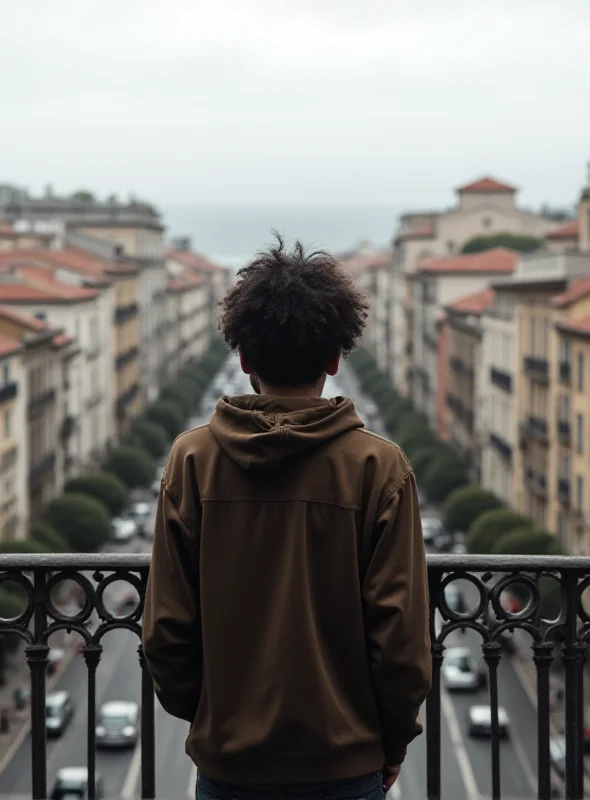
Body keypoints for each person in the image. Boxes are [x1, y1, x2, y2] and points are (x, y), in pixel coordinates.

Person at [142, 236, 431, 800]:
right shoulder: (378, 465)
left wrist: (215, 717)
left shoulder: (192, 460)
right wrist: (390, 739)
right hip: (345, 769)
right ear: (335, 357)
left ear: (244, 358)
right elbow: (401, 640)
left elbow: (166, 628)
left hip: (230, 769)